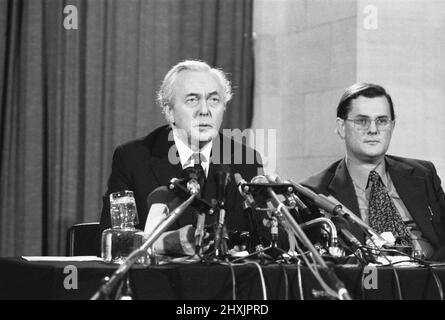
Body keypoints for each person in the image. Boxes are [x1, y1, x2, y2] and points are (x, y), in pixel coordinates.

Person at [97, 60, 263, 256]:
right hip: (157, 281)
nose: (204, 111)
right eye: (192, 100)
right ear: (169, 112)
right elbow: (114, 242)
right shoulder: (133, 157)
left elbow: (261, 241)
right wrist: (163, 243)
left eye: (214, 100)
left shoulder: (246, 160)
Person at [302, 83, 445, 261]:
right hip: (364, 283)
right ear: (341, 127)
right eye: (362, 121)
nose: (373, 130)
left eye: (382, 121)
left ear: (392, 126)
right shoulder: (314, 192)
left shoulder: (423, 174)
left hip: (432, 278)